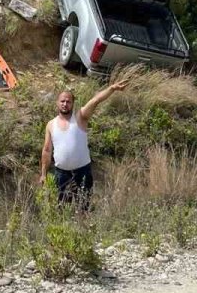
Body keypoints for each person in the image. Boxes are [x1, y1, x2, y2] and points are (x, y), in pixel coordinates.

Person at [39, 79, 130, 207]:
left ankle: (83, 225)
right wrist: (43, 174)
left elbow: (95, 101)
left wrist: (112, 89)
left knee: (83, 207)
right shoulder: (50, 124)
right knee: (62, 208)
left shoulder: (80, 117)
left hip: (82, 172)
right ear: (57, 103)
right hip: (61, 174)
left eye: (68, 101)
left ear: (73, 104)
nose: (65, 104)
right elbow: (47, 150)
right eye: (62, 101)